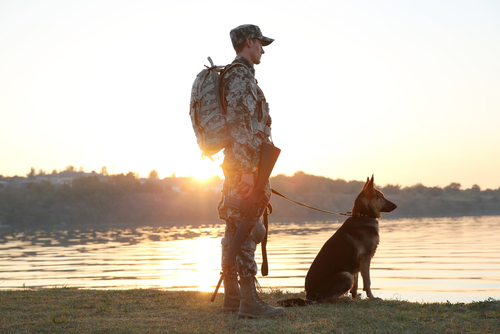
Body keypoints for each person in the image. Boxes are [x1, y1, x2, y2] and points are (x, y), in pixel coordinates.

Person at [217, 24, 285, 318]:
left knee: (235, 227)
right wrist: (247, 173)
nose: (263, 49)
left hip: (239, 164)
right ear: (248, 42)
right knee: (246, 228)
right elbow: (241, 124)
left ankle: (233, 297)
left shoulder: (236, 76)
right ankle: (249, 302)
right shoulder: (240, 77)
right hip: (244, 167)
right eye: (260, 43)